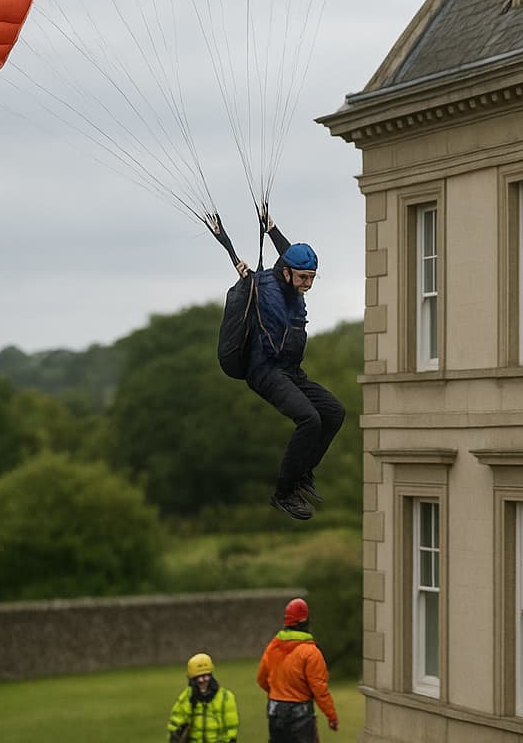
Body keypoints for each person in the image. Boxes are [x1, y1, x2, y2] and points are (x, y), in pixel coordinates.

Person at [216, 212, 347, 521]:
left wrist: (272, 229)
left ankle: (303, 474)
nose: (308, 284)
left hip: (290, 371)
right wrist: (245, 279)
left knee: (334, 411)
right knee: (309, 419)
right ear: (287, 273)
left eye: (312, 277)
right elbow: (264, 279)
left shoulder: (290, 281)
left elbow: (287, 253)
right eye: (303, 278)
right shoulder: (264, 287)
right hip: (264, 371)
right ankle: (284, 492)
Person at [257, 597, 339, 741]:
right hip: (301, 714)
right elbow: (319, 689)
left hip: (275, 710)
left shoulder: (273, 647)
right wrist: (331, 715)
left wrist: (278, 692)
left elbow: (261, 679)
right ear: (306, 621)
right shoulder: (311, 652)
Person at [167, 652, 239, 743]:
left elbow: (230, 728)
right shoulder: (187, 697)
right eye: (198, 677)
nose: (202, 680)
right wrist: (176, 733)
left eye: (206, 676)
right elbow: (176, 719)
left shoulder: (225, 697)